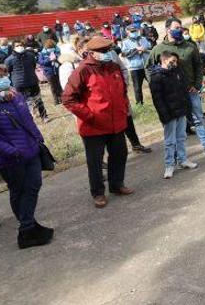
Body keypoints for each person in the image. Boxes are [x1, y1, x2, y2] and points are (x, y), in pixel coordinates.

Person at [0, 64, 54, 249]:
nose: (5, 78)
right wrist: (13, 151)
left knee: (33, 186)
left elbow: (28, 120)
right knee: (19, 191)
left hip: (31, 151)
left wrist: (37, 138)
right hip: (10, 159)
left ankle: (28, 225)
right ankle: (27, 229)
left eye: (5, 74)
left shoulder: (15, 97)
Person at [61, 36, 134, 208]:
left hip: (116, 122)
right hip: (94, 126)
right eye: (102, 51)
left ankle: (117, 185)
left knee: (119, 154)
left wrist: (123, 108)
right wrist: (90, 116)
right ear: (91, 53)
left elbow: (122, 91)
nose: (107, 53)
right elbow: (68, 99)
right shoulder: (83, 70)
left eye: (109, 50)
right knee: (95, 162)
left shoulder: (114, 67)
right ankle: (98, 193)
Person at [147, 19, 205, 158]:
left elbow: (199, 66)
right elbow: (149, 69)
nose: (180, 29)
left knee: (198, 119)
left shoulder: (190, 46)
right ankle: (177, 156)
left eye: (180, 27)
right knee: (176, 124)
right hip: (172, 95)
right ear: (167, 30)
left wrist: (197, 85)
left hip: (191, 91)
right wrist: (157, 85)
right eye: (176, 27)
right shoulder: (158, 50)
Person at [150, 51, 199, 179]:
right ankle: (169, 165)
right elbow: (157, 99)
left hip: (181, 111)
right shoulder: (157, 77)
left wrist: (187, 108)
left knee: (181, 137)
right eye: (172, 61)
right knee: (170, 141)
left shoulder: (177, 72)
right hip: (169, 114)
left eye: (176, 61)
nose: (175, 63)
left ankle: (183, 160)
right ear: (164, 60)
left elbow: (183, 91)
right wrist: (164, 115)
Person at [5, 40, 48, 122]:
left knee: (38, 100)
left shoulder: (30, 56)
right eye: (17, 45)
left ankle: (44, 116)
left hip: (32, 81)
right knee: (22, 102)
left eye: (21, 45)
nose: (19, 47)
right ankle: (27, 118)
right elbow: (8, 71)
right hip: (19, 84)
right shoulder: (9, 60)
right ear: (13, 48)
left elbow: (33, 65)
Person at [121, 26, 151, 106]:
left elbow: (150, 48)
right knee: (137, 87)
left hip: (146, 66)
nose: (134, 33)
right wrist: (136, 50)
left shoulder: (143, 39)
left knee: (153, 83)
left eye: (135, 31)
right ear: (128, 32)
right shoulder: (125, 42)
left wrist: (144, 50)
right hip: (135, 68)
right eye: (132, 31)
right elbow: (125, 54)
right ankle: (139, 103)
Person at [38, 39, 63, 106]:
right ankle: (56, 100)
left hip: (57, 70)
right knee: (53, 86)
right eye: (49, 48)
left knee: (59, 85)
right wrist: (49, 59)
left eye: (52, 48)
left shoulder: (57, 51)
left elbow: (61, 59)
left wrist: (56, 58)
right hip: (48, 71)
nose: (50, 49)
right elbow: (41, 62)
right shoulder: (42, 53)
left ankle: (61, 98)